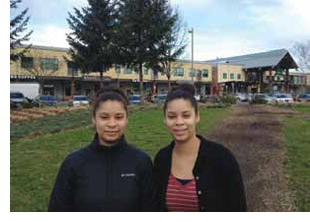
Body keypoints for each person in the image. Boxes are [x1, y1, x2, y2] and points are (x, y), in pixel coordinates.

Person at [48, 87, 155, 212]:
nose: (112, 124)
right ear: (94, 120)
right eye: (104, 117)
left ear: (127, 119)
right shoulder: (73, 163)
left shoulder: (141, 162)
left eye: (119, 117)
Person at [153, 84, 247, 212]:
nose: (179, 122)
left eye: (186, 115)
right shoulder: (161, 159)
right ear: (165, 119)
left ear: (196, 116)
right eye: (172, 116)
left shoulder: (222, 158)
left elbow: (238, 208)